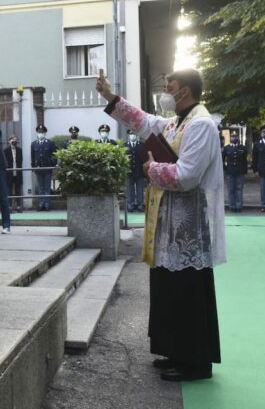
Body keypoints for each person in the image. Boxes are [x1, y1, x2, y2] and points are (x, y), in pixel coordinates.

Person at [96, 68, 225, 382]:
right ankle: (174, 350)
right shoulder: (174, 122)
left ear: (186, 91)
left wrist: (152, 168)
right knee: (169, 287)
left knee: (187, 291)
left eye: (171, 86)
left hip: (188, 226)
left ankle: (195, 361)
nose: (167, 90)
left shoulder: (202, 125)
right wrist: (111, 97)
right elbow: (142, 121)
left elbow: (188, 175)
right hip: (167, 224)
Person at [31, 124, 57, 211]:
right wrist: (33, 167)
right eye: (39, 132)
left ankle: (46, 204)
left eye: (42, 132)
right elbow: (32, 156)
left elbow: (55, 155)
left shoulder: (50, 143)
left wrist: (52, 165)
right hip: (38, 169)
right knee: (41, 187)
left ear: (45, 133)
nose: (40, 134)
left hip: (47, 169)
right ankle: (41, 204)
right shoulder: (34, 144)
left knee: (47, 187)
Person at [222, 129, 248, 213]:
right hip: (230, 172)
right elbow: (222, 160)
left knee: (239, 189)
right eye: (232, 137)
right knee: (231, 189)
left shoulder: (243, 148)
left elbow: (245, 161)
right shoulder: (227, 148)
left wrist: (245, 171)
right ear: (230, 138)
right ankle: (232, 206)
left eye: (235, 136)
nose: (234, 138)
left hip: (240, 172)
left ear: (238, 137)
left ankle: (239, 205)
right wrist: (225, 168)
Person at [124, 129, 146, 212]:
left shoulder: (141, 145)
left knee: (140, 189)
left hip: (139, 171)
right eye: (131, 134)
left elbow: (144, 159)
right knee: (130, 190)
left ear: (136, 135)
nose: (132, 135)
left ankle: (140, 205)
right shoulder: (124, 145)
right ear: (128, 135)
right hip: (129, 172)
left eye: (134, 134)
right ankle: (131, 205)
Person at [4, 135, 24, 212]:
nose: (14, 141)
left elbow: (20, 161)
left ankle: (18, 206)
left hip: (18, 173)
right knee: (9, 190)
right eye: (12, 140)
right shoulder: (5, 150)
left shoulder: (19, 150)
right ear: (9, 141)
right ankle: (9, 207)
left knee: (18, 190)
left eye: (15, 140)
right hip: (9, 173)